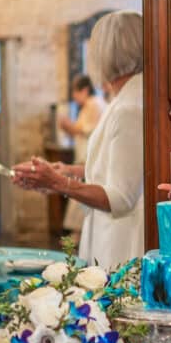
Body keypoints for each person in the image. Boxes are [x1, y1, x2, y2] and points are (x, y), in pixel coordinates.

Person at [13, 11, 144, 269]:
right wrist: (70, 171)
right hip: (109, 231)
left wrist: (59, 183)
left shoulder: (130, 108)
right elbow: (119, 166)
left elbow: (120, 196)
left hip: (120, 242)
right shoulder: (124, 100)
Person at [59, 75, 107, 233]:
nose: (73, 96)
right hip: (84, 159)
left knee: (81, 203)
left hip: (88, 160)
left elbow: (83, 130)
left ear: (85, 90)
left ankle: (76, 243)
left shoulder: (94, 104)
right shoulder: (89, 105)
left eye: (75, 91)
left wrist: (67, 125)